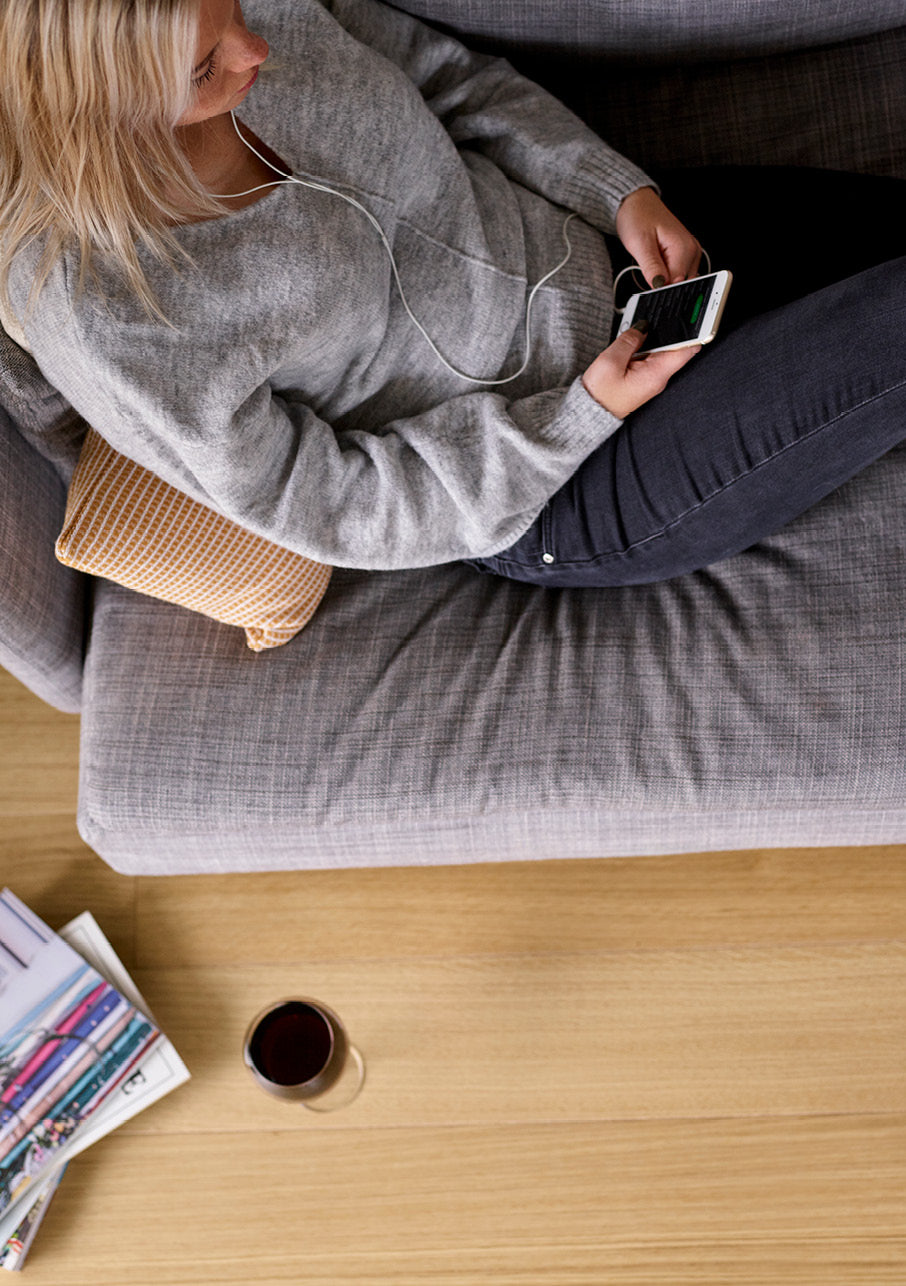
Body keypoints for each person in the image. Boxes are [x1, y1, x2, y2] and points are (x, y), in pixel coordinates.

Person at [1, 0, 904, 587]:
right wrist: (580, 415)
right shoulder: (104, 308)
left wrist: (613, 189)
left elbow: (455, 84)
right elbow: (321, 504)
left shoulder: (251, 22)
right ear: (92, 99)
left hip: (637, 267)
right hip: (567, 478)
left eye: (231, 6)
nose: (256, 46)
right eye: (206, 67)